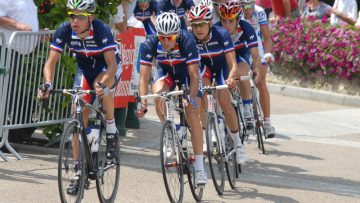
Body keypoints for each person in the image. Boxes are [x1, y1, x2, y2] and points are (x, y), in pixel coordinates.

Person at [37, 0, 122, 195]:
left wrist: (103, 84)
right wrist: (48, 83)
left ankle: (110, 128)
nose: (74, 20)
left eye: (80, 16)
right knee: (78, 112)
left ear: (90, 18)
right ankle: (78, 171)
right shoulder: (65, 30)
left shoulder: (101, 30)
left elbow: (112, 65)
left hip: (107, 68)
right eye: (71, 15)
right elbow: (51, 62)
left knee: (101, 87)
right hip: (85, 69)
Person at [136, 12, 207, 187]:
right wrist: (143, 103)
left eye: (170, 37)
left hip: (187, 75)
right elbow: (144, 78)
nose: (166, 41)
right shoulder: (150, 43)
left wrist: (191, 99)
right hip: (166, 72)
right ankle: (169, 131)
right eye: (162, 37)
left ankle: (199, 167)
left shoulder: (187, 40)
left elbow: (194, 75)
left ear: (177, 34)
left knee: (192, 114)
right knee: (159, 95)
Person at [187, 5, 247, 164]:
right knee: (202, 97)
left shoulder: (222, 34)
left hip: (222, 67)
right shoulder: (189, 38)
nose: (198, 29)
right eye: (194, 25)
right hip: (205, 69)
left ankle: (238, 143)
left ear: (210, 24)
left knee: (224, 102)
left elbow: (232, 63)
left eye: (202, 24)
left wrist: (232, 76)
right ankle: (208, 137)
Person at [216, 1, 264, 132]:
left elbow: (255, 54)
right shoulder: (215, 29)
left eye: (231, 21)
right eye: (224, 21)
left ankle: (247, 107)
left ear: (238, 19)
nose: (226, 25)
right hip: (224, 60)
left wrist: (257, 68)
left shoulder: (246, 28)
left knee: (243, 74)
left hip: (240, 56)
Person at [239, 0, 276, 138]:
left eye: (250, 6)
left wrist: (267, 54)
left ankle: (267, 122)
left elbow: (267, 38)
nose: (247, 10)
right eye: (244, 6)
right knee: (240, 79)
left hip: (256, 47)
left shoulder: (259, 12)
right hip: (242, 47)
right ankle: (244, 112)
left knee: (261, 81)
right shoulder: (235, 12)